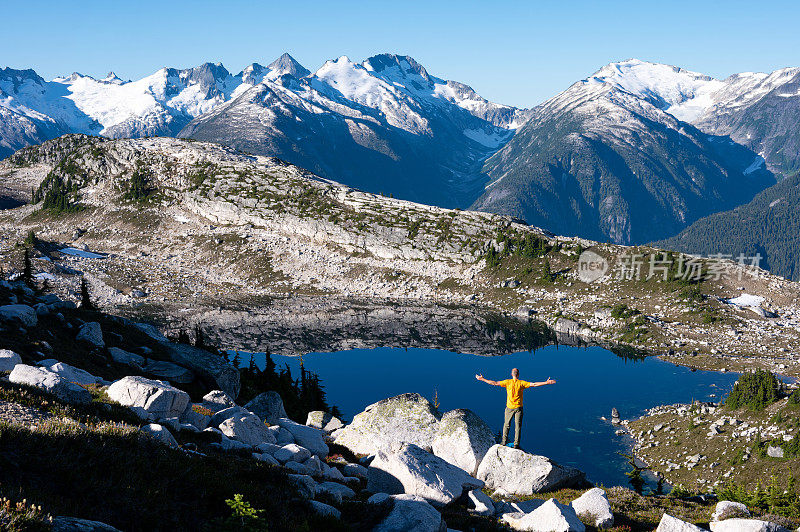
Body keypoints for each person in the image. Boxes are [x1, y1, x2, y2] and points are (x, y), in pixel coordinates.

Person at [475, 368, 556, 449]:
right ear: (518, 375)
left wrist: (482, 379)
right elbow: (534, 384)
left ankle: (503, 442)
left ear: (511, 374)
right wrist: (546, 382)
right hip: (518, 408)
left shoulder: (507, 382)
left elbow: (494, 383)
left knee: (506, 425)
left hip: (509, 408)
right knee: (518, 426)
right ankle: (516, 444)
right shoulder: (521, 383)